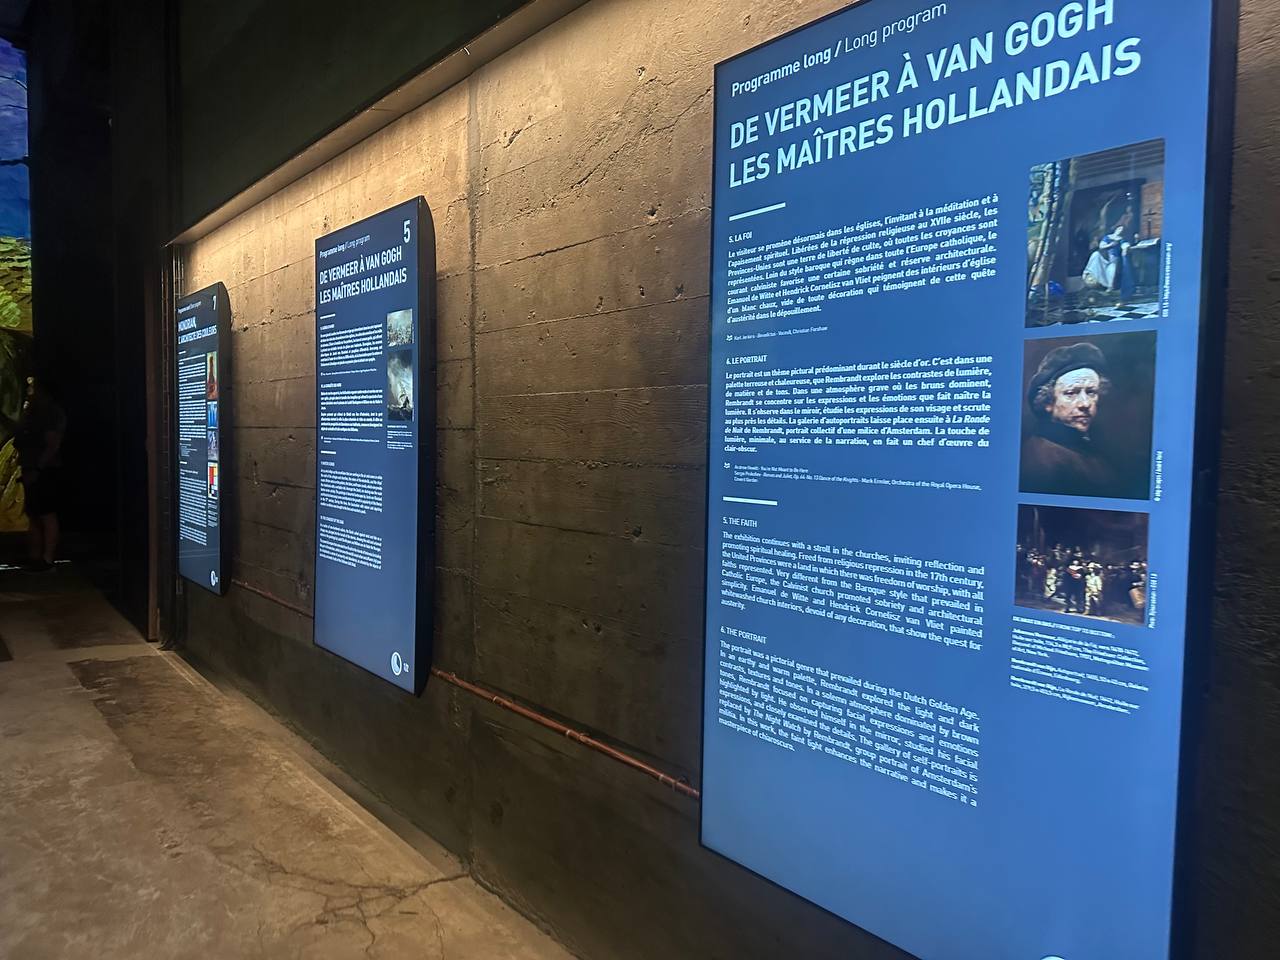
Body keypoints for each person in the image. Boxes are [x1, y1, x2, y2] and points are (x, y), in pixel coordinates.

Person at [1020, 342, 1141, 499]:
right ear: (1047, 402)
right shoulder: (1043, 458)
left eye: (1091, 392)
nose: (1085, 404)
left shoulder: (1086, 449)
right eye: (1071, 393)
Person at [14, 376, 66, 572]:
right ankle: (35, 556)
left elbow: (52, 444)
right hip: (32, 468)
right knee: (34, 513)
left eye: (34, 389)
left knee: (46, 513)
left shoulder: (51, 413)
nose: (31, 393)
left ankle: (47, 558)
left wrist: (38, 468)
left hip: (44, 470)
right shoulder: (33, 414)